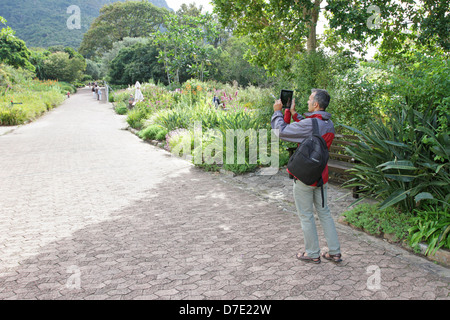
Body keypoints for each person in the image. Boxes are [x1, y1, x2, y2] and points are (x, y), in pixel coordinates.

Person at [271, 89, 342, 264]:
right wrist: (293, 113)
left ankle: (312, 253)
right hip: (321, 176)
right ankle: (334, 252)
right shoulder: (328, 123)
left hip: (305, 177)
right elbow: (310, 127)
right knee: (324, 213)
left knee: (306, 215)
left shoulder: (311, 124)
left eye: (310, 99)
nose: (308, 102)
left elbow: (281, 131)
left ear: (316, 104)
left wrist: (277, 111)